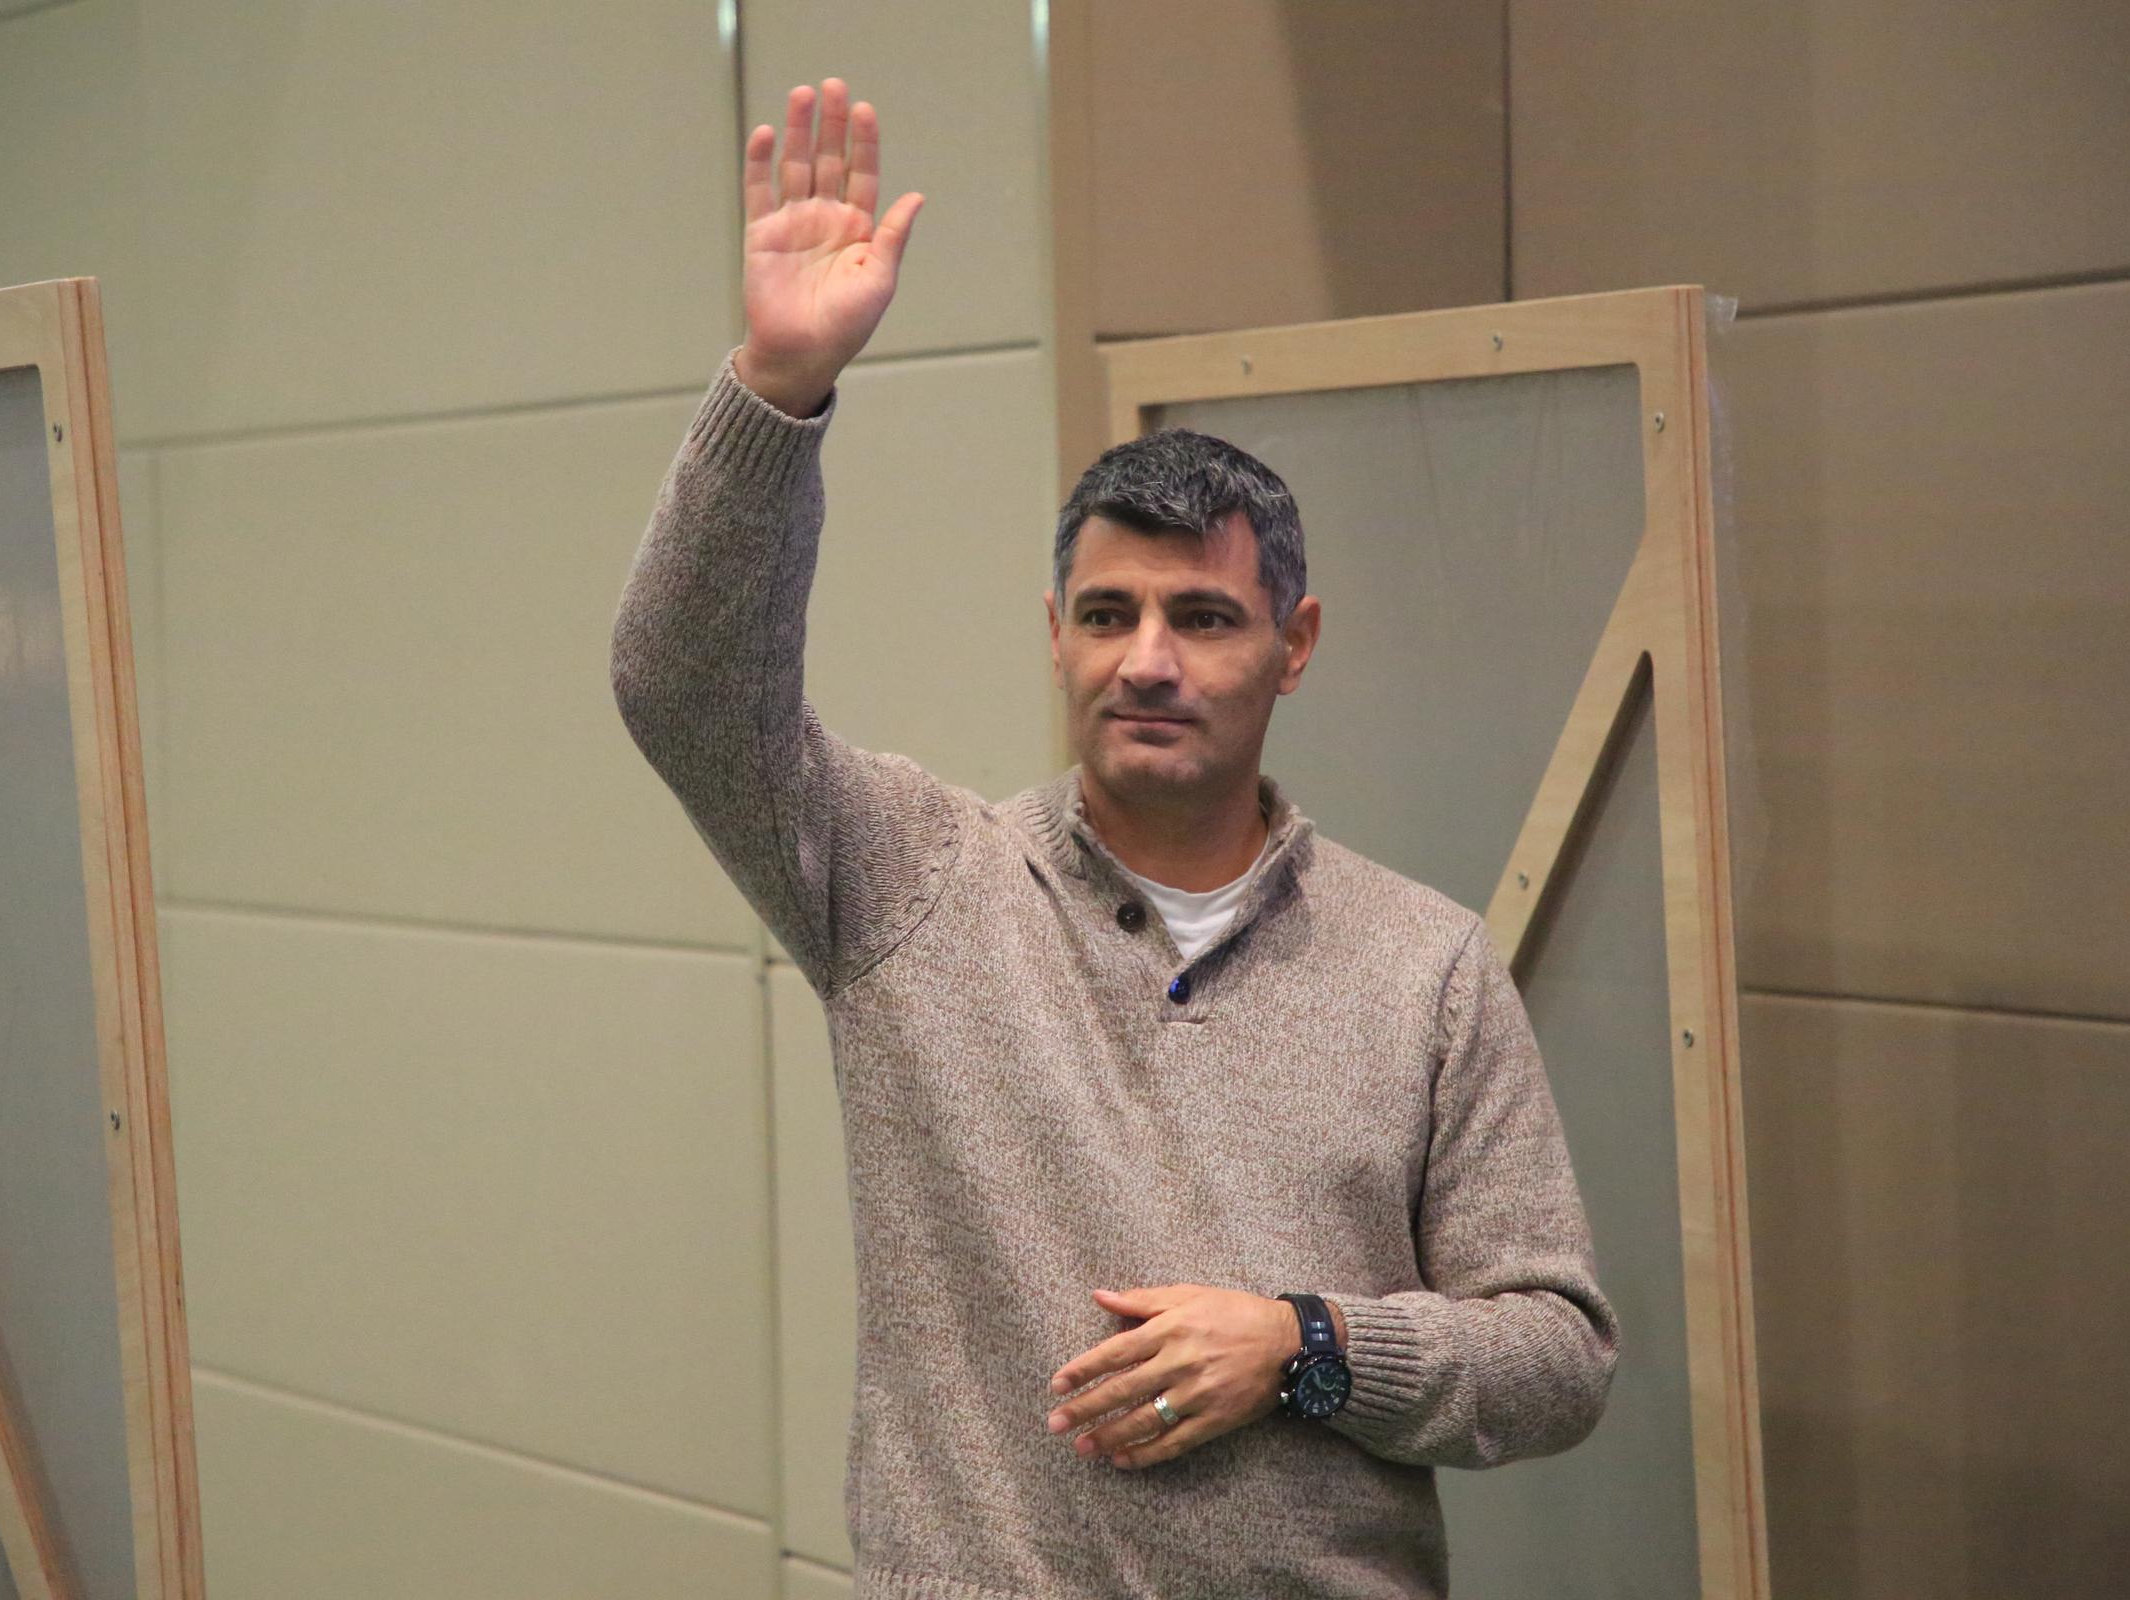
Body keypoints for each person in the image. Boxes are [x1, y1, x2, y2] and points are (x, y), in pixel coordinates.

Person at [610, 75, 1618, 1600]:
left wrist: (1308, 1344)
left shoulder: (1425, 964)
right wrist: (777, 388)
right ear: (1059, 637)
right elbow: (679, 686)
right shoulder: (909, 883)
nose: (1147, 658)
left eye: (1203, 618)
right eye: (1107, 614)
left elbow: (1557, 1354)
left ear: (1296, 644)